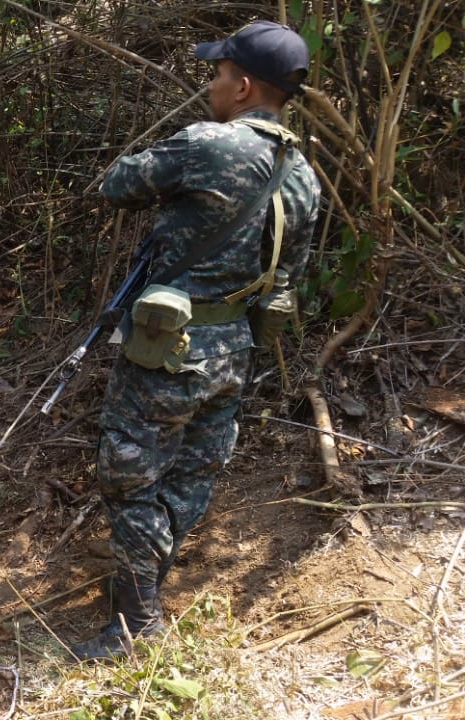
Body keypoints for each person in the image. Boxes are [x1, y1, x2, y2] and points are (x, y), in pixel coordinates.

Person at [71, 21, 320, 660]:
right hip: (235, 350)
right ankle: (143, 588)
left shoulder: (210, 143)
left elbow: (115, 184)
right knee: (190, 477)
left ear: (241, 86)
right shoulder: (305, 177)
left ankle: (136, 624)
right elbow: (286, 277)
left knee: (128, 479)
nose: (210, 84)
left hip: (168, 352)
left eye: (216, 75)